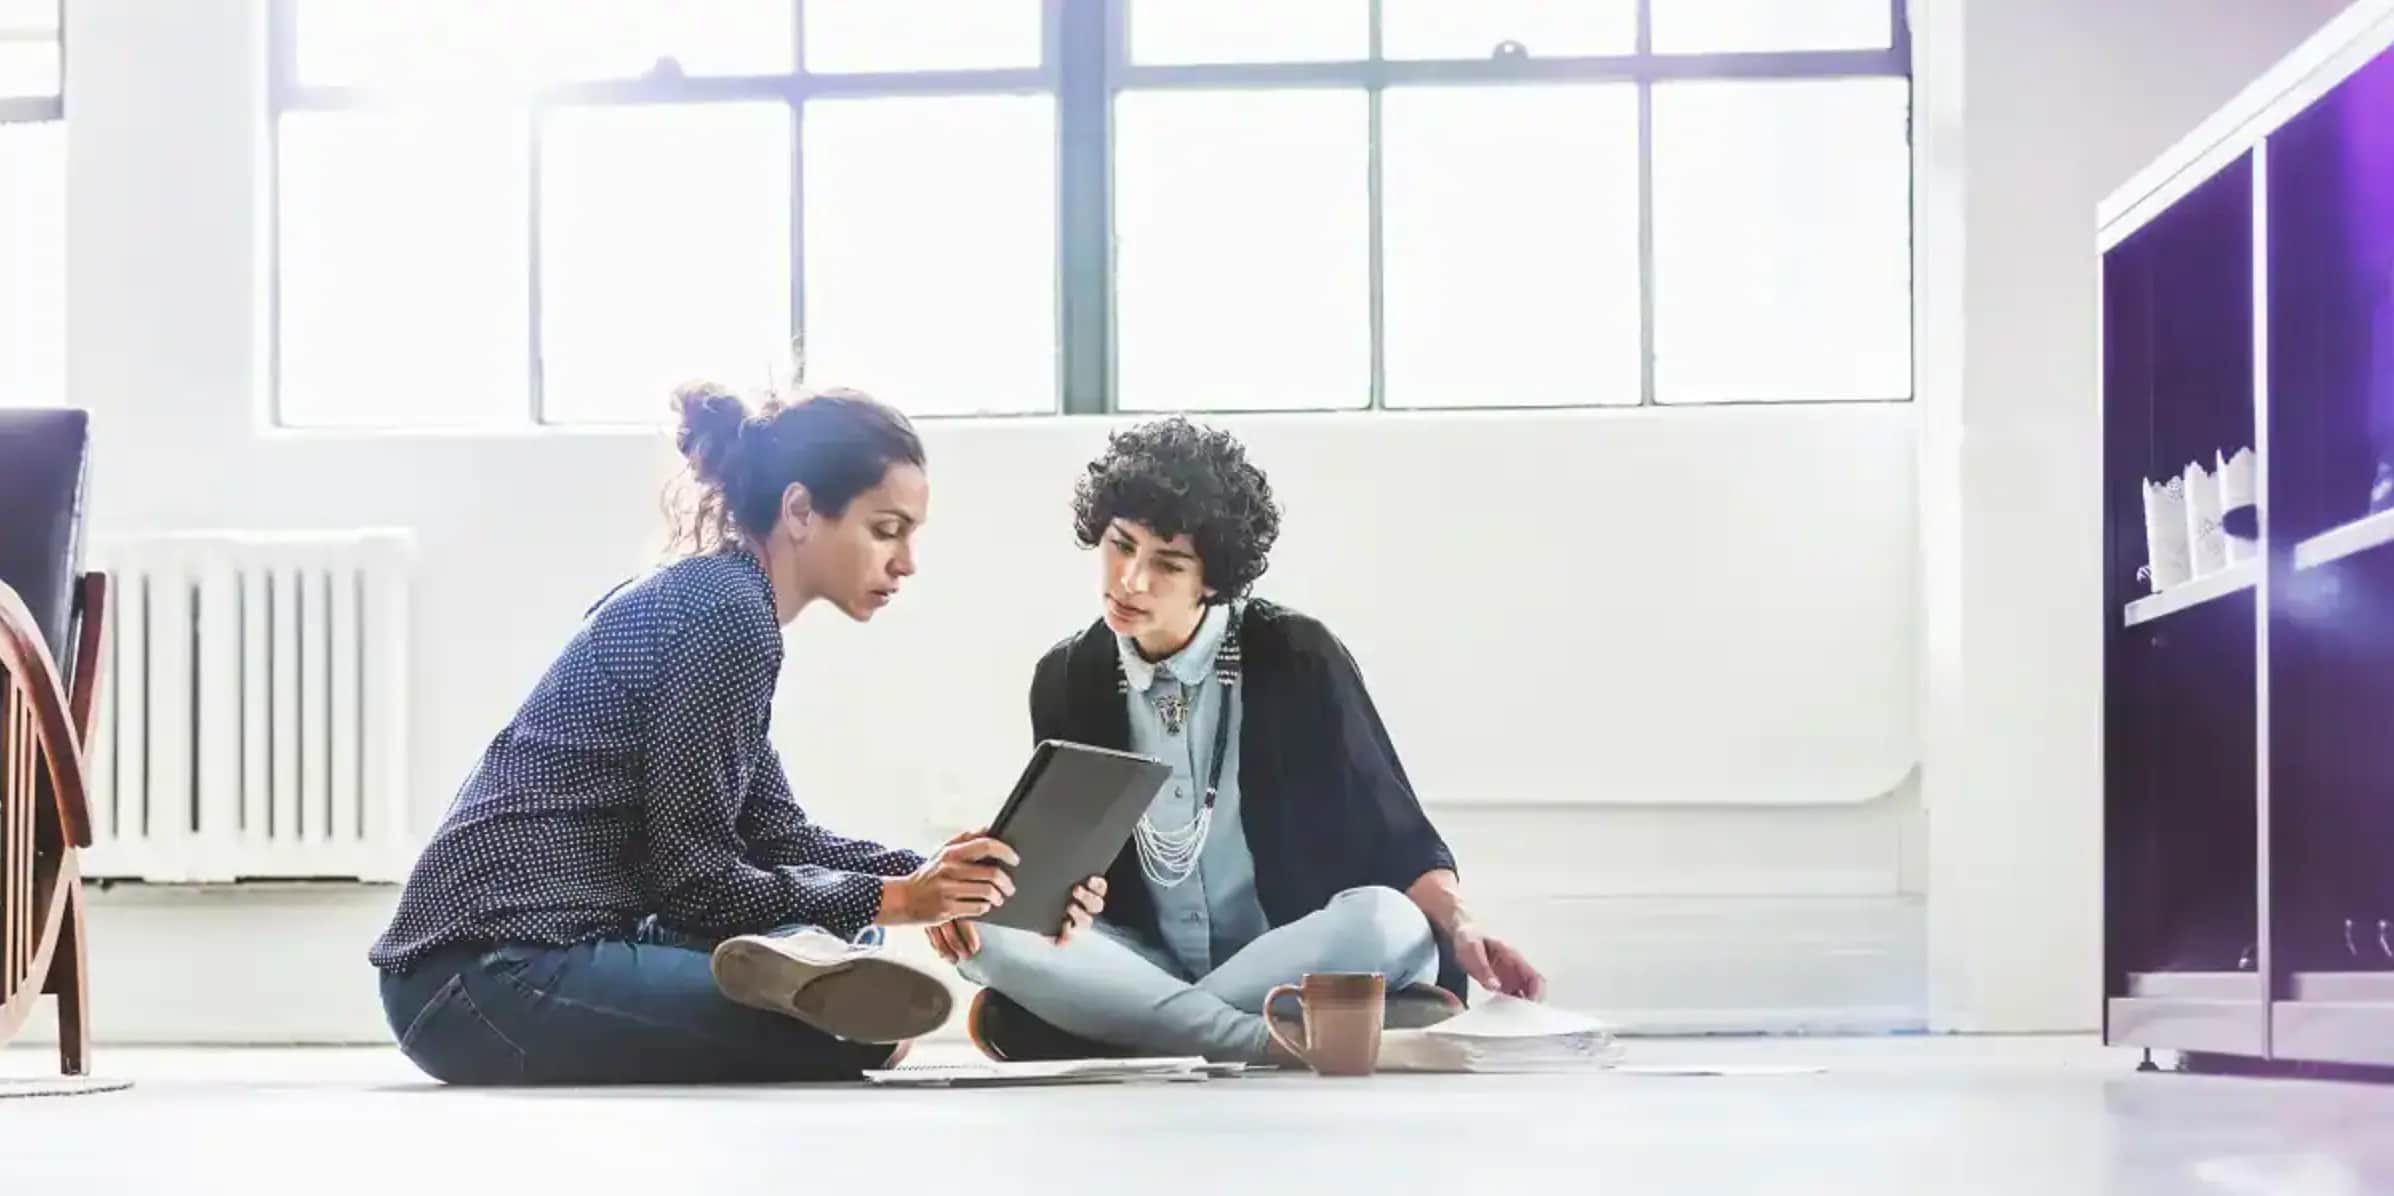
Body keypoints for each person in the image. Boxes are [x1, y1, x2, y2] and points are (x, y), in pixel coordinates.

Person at [368, 383, 1104, 1085]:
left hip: (513, 960)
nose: (905, 563)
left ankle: (799, 963)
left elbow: (777, 834)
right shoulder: (727, 615)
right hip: (484, 977)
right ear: (800, 511)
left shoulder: (720, 597)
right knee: (866, 1019)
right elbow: (696, 882)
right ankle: (799, 972)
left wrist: (942, 878)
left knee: (858, 945)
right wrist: (905, 899)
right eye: (886, 531)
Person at [933, 417, 1546, 1064]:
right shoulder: (1066, 677)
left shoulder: (1295, 653)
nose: (1131, 580)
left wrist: (1463, 927)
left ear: (1214, 578)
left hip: (1291, 947)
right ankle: (1275, 1036)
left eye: (1167, 564)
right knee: (984, 928)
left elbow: (1397, 836)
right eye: (1120, 545)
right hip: (1149, 957)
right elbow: (1069, 878)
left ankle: (1130, 1022)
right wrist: (999, 874)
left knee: (1387, 922)